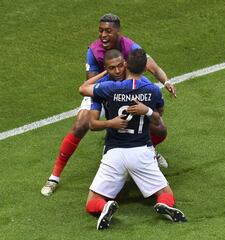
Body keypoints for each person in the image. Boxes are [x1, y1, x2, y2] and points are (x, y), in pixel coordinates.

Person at [41, 13, 175, 197]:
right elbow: (90, 85)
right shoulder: (94, 50)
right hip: (104, 88)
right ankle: (54, 177)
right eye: (100, 30)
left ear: (118, 31)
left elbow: (152, 66)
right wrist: (109, 74)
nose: (103, 35)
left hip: (127, 86)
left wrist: (166, 81)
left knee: (159, 128)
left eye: (108, 31)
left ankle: (147, 148)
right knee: (81, 124)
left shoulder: (129, 46)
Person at [80, 49, 186, 230]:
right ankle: (163, 204)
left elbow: (82, 89)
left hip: (114, 153)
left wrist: (105, 72)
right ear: (145, 68)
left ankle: (104, 206)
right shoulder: (153, 91)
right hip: (141, 151)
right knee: (165, 193)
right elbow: (159, 118)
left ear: (126, 65)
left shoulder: (110, 88)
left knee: (92, 201)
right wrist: (147, 111)